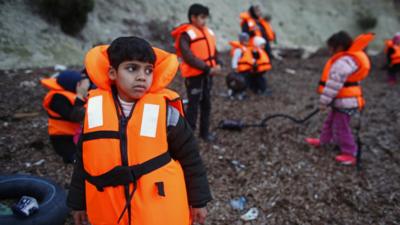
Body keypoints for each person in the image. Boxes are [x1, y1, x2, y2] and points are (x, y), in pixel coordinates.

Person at [67, 36, 212, 225]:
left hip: (156, 210)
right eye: (131, 68)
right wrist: (78, 203)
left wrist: (198, 201)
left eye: (148, 70)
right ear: (112, 73)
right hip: (110, 209)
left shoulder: (166, 114)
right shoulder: (94, 114)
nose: (142, 76)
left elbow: (191, 158)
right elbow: (84, 162)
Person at [305, 31, 375, 165]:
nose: (329, 50)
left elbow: (333, 85)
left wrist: (323, 102)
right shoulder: (350, 59)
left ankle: (350, 153)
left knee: (341, 127)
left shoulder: (342, 63)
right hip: (344, 101)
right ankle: (324, 141)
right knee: (330, 122)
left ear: (339, 47)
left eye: (331, 47)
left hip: (346, 103)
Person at [171, 3, 222, 142]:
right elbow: (189, 57)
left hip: (207, 75)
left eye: (206, 18)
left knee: (206, 104)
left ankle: (204, 133)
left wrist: (218, 64)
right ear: (193, 17)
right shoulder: (185, 35)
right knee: (193, 106)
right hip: (195, 76)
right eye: (202, 17)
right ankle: (188, 137)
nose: (204, 21)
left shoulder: (208, 32)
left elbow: (214, 51)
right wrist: (207, 68)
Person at [41, 70, 90, 163]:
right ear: (76, 85)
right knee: (76, 159)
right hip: (62, 138)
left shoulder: (71, 94)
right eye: (82, 83)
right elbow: (76, 116)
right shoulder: (57, 99)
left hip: (74, 134)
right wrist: (80, 96)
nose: (86, 86)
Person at [228, 33, 250, 99]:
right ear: (241, 41)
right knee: (239, 82)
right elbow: (234, 59)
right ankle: (234, 93)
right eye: (245, 41)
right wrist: (235, 67)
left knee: (245, 82)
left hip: (246, 69)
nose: (247, 42)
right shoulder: (239, 49)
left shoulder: (245, 48)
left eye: (247, 40)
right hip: (240, 69)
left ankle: (242, 93)